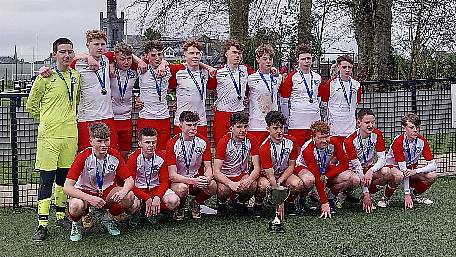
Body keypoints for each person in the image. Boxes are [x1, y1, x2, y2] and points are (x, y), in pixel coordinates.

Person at [26, 37, 81, 242]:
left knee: (63, 179)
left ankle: (60, 216)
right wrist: (46, 122)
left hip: (69, 136)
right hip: (49, 137)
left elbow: (76, 102)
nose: (67, 55)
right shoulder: (45, 77)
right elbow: (31, 104)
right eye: (62, 52)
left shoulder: (76, 76)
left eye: (70, 52)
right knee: (46, 181)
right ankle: (42, 224)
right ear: (54, 55)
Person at [63, 123, 138, 241]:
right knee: (75, 206)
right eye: (99, 141)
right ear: (91, 141)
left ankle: (107, 217)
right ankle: (76, 224)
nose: (104, 145)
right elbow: (67, 187)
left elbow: (129, 180)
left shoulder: (115, 155)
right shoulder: (82, 157)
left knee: (129, 197)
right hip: (85, 191)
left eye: (106, 140)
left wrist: (123, 191)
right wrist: (90, 198)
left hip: (106, 191)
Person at [294, 121, 359, 218]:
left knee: (353, 179)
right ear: (313, 137)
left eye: (326, 137)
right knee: (309, 180)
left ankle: (331, 198)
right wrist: (324, 203)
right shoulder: (307, 149)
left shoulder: (334, 142)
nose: (324, 141)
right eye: (320, 138)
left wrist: (327, 176)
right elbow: (316, 176)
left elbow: (344, 164)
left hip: (324, 168)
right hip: (305, 169)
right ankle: (302, 199)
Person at [71, 29, 118, 151]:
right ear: (88, 45)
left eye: (103, 44)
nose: (100, 47)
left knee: (111, 152)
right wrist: (88, 57)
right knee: (86, 154)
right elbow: (65, 59)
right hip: (87, 117)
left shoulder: (107, 59)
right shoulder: (78, 62)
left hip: (107, 116)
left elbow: (126, 54)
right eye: (96, 44)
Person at [379, 113, 438, 209]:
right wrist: (407, 194)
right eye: (411, 127)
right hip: (393, 168)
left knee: (433, 175)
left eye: (417, 127)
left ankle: (416, 195)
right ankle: (385, 198)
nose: (415, 130)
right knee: (399, 175)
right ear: (404, 128)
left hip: (410, 170)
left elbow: (433, 165)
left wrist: (416, 171)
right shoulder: (398, 141)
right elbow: (403, 170)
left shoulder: (422, 141)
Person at [166, 111, 217, 220]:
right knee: (182, 189)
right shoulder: (172, 143)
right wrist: (192, 181)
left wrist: (207, 178)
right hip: (179, 180)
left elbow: (208, 167)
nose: (193, 128)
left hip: (196, 178)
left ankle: (196, 203)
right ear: (180, 126)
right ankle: (180, 206)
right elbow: (172, 175)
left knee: (212, 185)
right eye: (189, 125)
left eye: (195, 125)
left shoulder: (203, 141)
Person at [256, 111, 305, 216]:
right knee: (263, 186)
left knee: (297, 184)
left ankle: (290, 203)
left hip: (284, 174)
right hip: (267, 176)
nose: (279, 131)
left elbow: (291, 166)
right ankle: (258, 203)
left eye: (281, 128)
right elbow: (269, 174)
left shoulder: (292, 141)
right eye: (275, 128)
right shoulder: (264, 146)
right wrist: (279, 199)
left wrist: (280, 181)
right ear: (268, 129)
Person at [213, 111, 260, 215]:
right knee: (223, 189)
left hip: (242, 175)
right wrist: (230, 183)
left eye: (245, 126)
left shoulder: (252, 140)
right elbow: (216, 172)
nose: (243, 130)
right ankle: (222, 203)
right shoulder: (224, 141)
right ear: (231, 128)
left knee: (253, 185)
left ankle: (240, 202)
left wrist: (249, 180)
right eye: (239, 127)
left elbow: (257, 168)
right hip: (226, 176)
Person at [128, 128, 179, 221]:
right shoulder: (133, 158)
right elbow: (130, 184)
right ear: (140, 143)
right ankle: (138, 212)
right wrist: (146, 198)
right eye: (147, 142)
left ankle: (157, 210)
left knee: (174, 201)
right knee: (133, 205)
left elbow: (164, 182)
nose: (151, 145)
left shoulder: (161, 157)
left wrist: (157, 197)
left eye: (153, 142)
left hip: (155, 188)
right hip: (139, 189)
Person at [344, 108, 390, 213]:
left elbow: (382, 159)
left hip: (367, 168)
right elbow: (356, 166)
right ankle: (342, 194)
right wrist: (366, 193)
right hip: (352, 170)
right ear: (359, 123)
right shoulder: (349, 140)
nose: (370, 125)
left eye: (373, 122)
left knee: (387, 172)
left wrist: (371, 170)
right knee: (354, 179)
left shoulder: (377, 134)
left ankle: (362, 198)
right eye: (367, 122)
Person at [207, 39, 251, 145]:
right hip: (223, 114)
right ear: (226, 53)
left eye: (239, 53)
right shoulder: (218, 72)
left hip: (239, 113)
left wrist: (246, 96)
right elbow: (208, 90)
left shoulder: (245, 70)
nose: (237, 56)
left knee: (239, 147)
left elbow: (259, 76)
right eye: (234, 52)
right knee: (221, 147)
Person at [279, 44, 323, 149]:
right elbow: (284, 101)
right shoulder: (292, 77)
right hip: (297, 122)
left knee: (314, 150)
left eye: (309, 58)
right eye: (303, 59)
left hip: (314, 120)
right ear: (298, 60)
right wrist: (287, 119)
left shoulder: (317, 77)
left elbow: (320, 99)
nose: (306, 61)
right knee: (296, 151)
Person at [168, 39, 211, 137]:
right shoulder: (177, 71)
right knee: (181, 150)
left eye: (197, 53)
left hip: (200, 121)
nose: (195, 56)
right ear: (185, 55)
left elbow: (212, 89)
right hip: (182, 122)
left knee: (200, 150)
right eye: (191, 53)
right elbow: (167, 89)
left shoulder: (205, 72)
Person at [137, 40, 173, 152]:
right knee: (146, 150)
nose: (157, 58)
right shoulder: (141, 69)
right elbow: (120, 55)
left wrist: (164, 63)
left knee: (162, 151)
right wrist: (140, 61)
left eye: (160, 54)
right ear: (147, 56)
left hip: (163, 116)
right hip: (146, 117)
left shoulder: (167, 69)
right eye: (153, 55)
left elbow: (186, 64)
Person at [320, 55, 362, 145]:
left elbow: (357, 102)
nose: (347, 70)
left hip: (350, 125)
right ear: (338, 67)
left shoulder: (356, 85)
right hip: (334, 126)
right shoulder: (330, 84)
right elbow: (324, 104)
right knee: (334, 154)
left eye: (349, 67)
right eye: (344, 67)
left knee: (348, 152)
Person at [247, 44, 283, 144]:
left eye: (270, 59)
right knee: (256, 155)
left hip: (273, 124)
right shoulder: (250, 78)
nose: (268, 61)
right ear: (258, 59)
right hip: (256, 123)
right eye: (264, 58)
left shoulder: (277, 78)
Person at [108, 42, 138, 160]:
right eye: (122, 59)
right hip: (112, 118)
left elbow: (146, 61)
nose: (126, 62)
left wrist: (138, 60)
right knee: (112, 152)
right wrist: (111, 61)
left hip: (127, 118)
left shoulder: (134, 71)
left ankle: (122, 178)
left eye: (129, 59)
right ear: (115, 58)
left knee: (125, 153)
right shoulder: (109, 70)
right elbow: (105, 55)